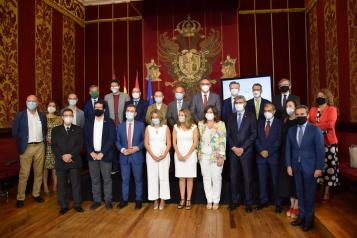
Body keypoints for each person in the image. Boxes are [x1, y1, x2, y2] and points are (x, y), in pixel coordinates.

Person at [286, 105, 324, 232]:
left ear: (307, 115)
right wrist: (288, 165)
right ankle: (301, 217)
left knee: (309, 195)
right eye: (298, 114)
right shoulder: (291, 130)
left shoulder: (315, 130)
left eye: (302, 114)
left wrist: (319, 167)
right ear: (295, 115)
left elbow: (320, 150)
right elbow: (288, 150)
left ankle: (309, 220)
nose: (300, 116)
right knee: (299, 194)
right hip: (296, 167)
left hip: (311, 168)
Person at [12, 95, 47, 208]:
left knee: (38, 172)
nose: (31, 102)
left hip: (40, 146)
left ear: (37, 103)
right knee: (24, 174)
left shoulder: (42, 115)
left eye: (34, 101)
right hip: (26, 147)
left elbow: (44, 130)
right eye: (29, 101)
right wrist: (23, 142)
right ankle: (20, 197)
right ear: (26, 102)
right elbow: (15, 132)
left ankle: (36, 194)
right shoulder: (20, 115)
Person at [226, 95, 256, 213]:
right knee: (234, 178)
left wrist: (243, 148)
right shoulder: (230, 117)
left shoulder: (251, 117)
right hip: (233, 152)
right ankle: (235, 201)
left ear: (245, 103)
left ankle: (248, 202)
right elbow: (227, 134)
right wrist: (233, 147)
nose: (238, 103)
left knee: (247, 178)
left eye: (240, 102)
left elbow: (253, 134)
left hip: (246, 152)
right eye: (236, 102)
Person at [308, 89, 339, 202]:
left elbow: (330, 124)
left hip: (329, 143)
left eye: (322, 96)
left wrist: (316, 125)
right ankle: (319, 189)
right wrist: (320, 126)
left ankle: (326, 192)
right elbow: (309, 124)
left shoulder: (332, 109)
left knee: (329, 167)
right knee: (317, 166)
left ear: (327, 97)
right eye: (318, 96)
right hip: (315, 143)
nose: (319, 97)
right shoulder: (312, 109)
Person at [84, 101, 116, 210]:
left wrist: (102, 153)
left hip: (105, 155)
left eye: (99, 107)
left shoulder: (110, 122)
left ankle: (108, 200)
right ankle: (96, 200)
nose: (97, 109)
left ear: (104, 110)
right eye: (95, 107)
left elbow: (111, 139)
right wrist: (91, 152)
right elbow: (86, 139)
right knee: (95, 179)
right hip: (92, 155)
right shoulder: (88, 122)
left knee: (107, 179)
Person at [51, 108, 84, 215]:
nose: (68, 117)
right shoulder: (55, 130)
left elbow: (80, 145)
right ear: (62, 117)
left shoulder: (78, 129)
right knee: (62, 185)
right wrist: (62, 156)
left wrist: (70, 155)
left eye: (70, 115)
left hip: (74, 160)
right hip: (61, 161)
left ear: (72, 117)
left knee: (76, 184)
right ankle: (64, 205)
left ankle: (77, 204)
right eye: (66, 115)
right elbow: (54, 146)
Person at [116, 104, 145, 209]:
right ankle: (124, 200)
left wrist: (137, 148)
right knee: (125, 180)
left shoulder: (141, 125)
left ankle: (138, 200)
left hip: (137, 156)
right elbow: (117, 141)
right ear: (125, 113)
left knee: (138, 179)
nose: (129, 112)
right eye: (128, 110)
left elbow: (144, 140)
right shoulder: (120, 126)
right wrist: (123, 150)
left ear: (135, 113)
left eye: (132, 111)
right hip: (124, 157)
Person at [255, 103, 282, 213]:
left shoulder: (279, 123)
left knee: (275, 181)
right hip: (261, 156)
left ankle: (278, 203)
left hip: (273, 156)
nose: (267, 112)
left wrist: (269, 151)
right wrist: (261, 150)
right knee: (262, 180)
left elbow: (279, 140)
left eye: (269, 110)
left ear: (274, 111)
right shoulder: (260, 123)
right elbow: (256, 139)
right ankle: (263, 200)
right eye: (265, 110)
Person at [198, 106, 226, 210]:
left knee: (216, 178)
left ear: (215, 113)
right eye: (207, 112)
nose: (209, 114)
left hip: (216, 155)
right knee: (206, 178)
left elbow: (223, 140)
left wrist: (221, 156)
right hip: (204, 155)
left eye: (211, 112)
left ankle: (216, 200)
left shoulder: (220, 124)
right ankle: (209, 200)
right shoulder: (201, 124)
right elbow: (199, 139)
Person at [144, 109, 171, 210]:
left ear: (161, 117)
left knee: (163, 177)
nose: (155, 119)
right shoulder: (148, 128)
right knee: (152, 178)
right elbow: (146, 143)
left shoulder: (165, 128)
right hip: (151, 156)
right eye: (153, 117)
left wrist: (164, 155)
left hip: (164, 156)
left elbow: (169, 143)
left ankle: (163, 200)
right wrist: (153, 155)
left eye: (157, 117)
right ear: (151, 118)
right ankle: (155, 199)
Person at [173, 109, 199, 210]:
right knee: (181, 178)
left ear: (187, 116)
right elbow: (174, 142)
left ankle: (188, 199)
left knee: (190, 178)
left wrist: (188, 154)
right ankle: (182, 199)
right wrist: (179, 154)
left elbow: (195, 142)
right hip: (179, 155)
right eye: (179, 115)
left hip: (191, 155)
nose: (180, 117)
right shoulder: (176, 127)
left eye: (182, 115)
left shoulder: (194, 127)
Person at [279, 99, 299, 219]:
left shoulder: (299, 121)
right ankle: (291, 204)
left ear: (296, 108)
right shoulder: (285, 120)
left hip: (295, 154)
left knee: (296, 181)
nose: (288, 108)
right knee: (288, 181)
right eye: (287, 106)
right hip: (284, 154)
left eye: (291, 105)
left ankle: (297, 206)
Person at [43, 101, 62, 194]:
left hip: (55, 145)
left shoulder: (59, 118)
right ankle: (45, 186)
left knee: (55, 166)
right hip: (45, 145)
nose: (51, 107)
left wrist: (54, 140)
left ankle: (55, 185)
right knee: (45, 167)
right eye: (50, 105)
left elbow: (61, 132)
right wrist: (45, 138)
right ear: (47, 107)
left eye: (53, 106)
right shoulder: (43, 118)